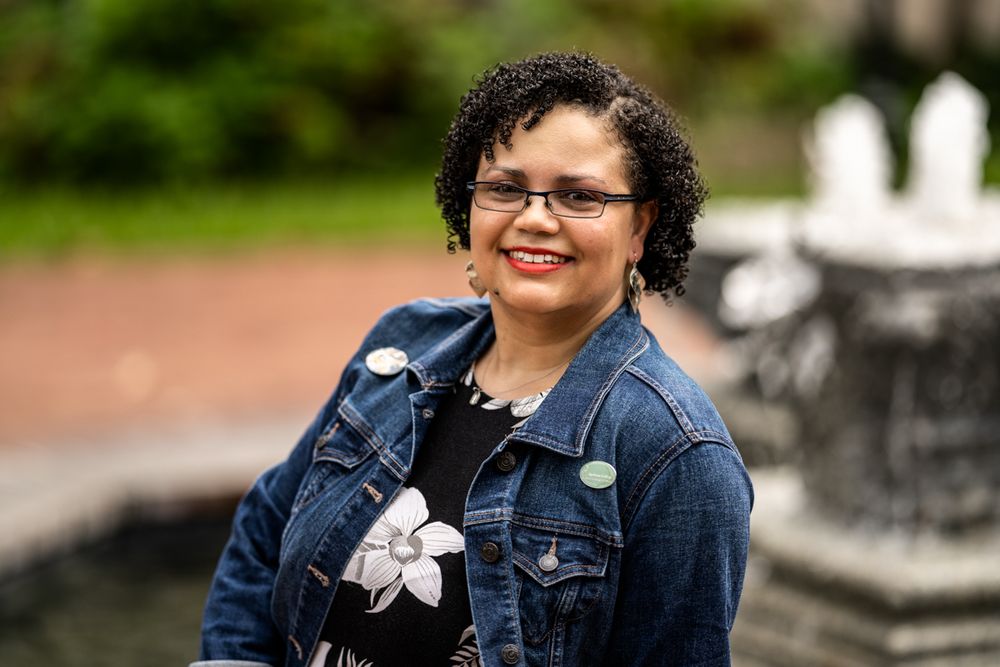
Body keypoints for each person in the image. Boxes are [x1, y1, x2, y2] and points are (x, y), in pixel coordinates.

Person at [194, 51, 752, 667]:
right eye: (506, 188)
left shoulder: (677, 455)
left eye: (579, 195)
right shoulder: (403, 345)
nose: (534, 218)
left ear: (640, 227)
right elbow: (264, 527)